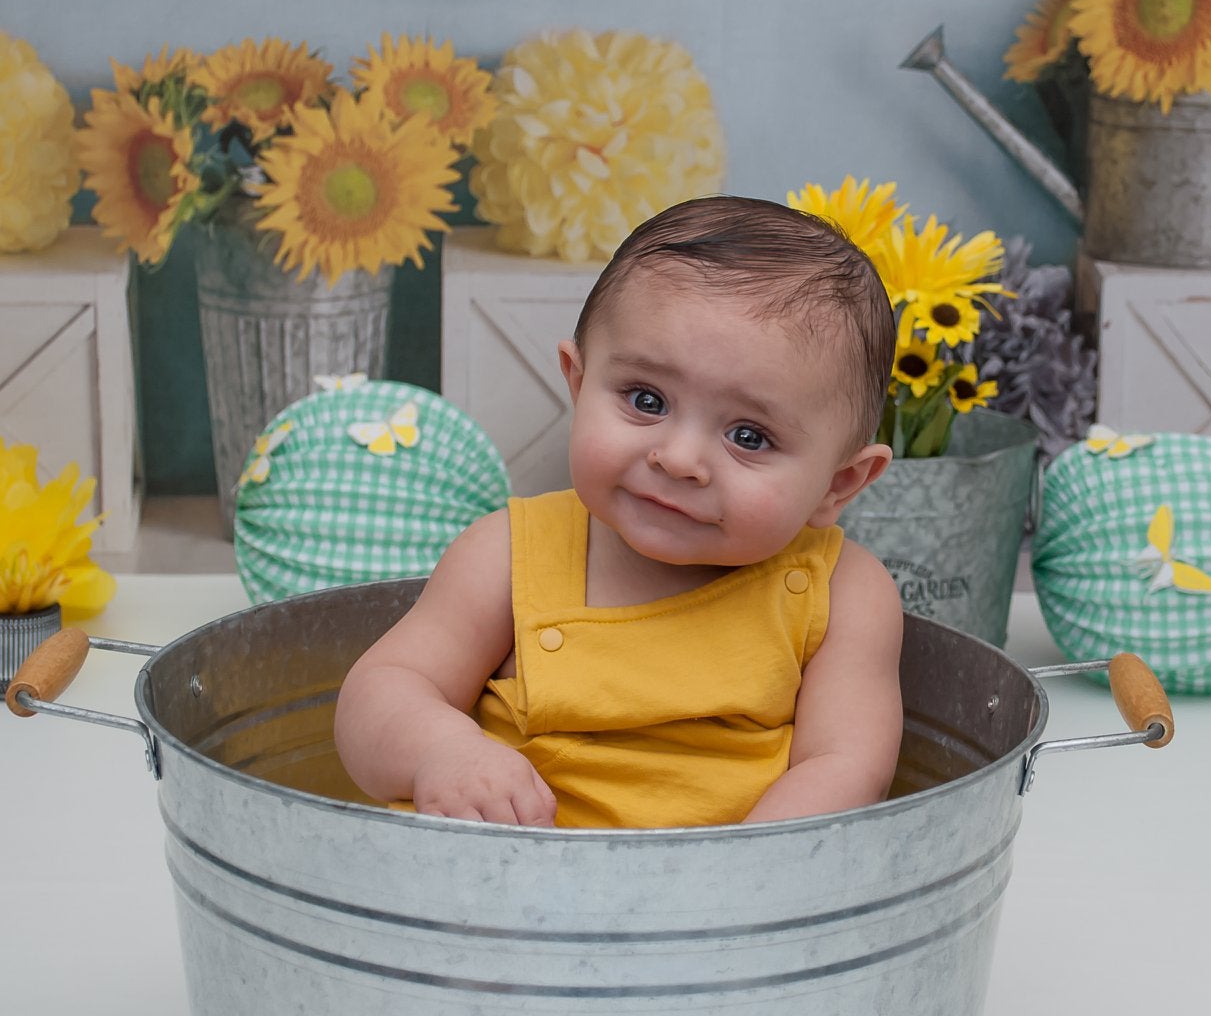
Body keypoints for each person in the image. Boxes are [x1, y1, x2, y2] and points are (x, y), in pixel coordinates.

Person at [333, 195, 904, 829]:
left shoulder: (845, 593)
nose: (680, 458)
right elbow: (381, 691)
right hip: (497, 878)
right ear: (578, 384)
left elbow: (845, 766)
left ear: (839, 483)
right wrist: (441, 750)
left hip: (718, 902)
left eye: (749, 436)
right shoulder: (509, 554)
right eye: (646, 399)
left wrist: (743, 876)